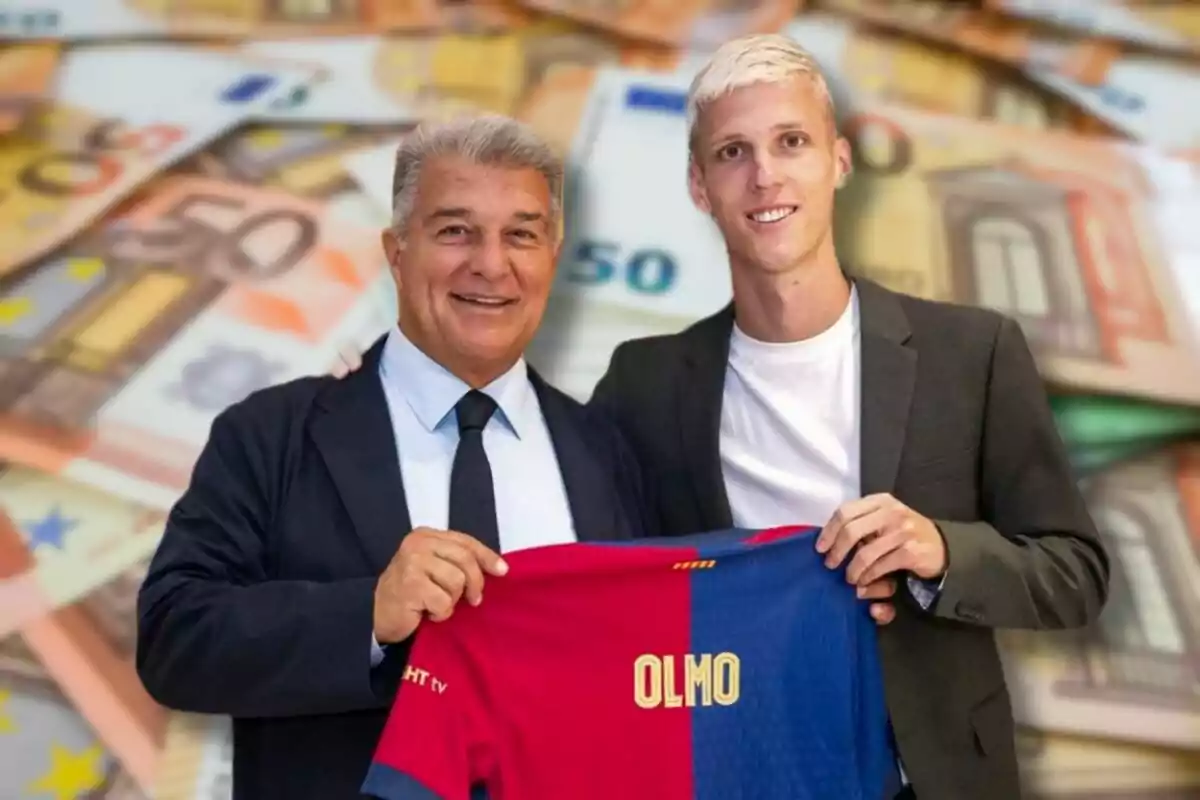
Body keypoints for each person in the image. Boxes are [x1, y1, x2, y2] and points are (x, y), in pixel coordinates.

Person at [587, 34, 1111, 800]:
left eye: (789, 142)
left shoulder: (972, 352)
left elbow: (1076, 574)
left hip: (924, 779)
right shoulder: (646, 379)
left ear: (837, 161)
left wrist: (938, 553)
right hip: (733, 770)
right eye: (733, 152)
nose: (764, 175)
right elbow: (598, 578)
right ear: (700, 187)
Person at [135, 115, 649, 800]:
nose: (491, 264)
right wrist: (368, 614)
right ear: (397, 251)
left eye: (520, 234)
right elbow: (175, 638)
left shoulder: (607, 450)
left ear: (553, 256)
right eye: (455, 231)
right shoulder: (269, 435)